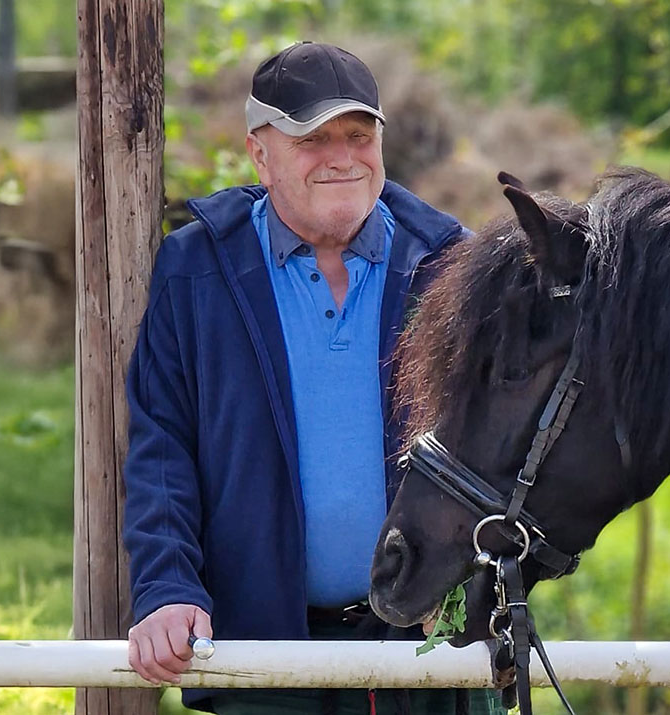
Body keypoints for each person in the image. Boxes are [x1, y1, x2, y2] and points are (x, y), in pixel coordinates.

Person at [123, 41, 503, 715]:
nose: (342, 157)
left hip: (426, 646)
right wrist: (167, 587)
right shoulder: (196, 270)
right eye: (313, 138)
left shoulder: (453, 268)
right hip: (262, 651)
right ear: (258, 152)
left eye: (359, 136)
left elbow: (506, 449)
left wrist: (470, 590)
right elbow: (162, 449)